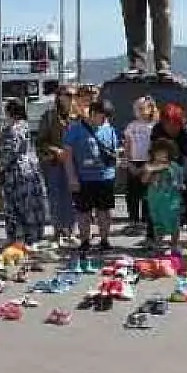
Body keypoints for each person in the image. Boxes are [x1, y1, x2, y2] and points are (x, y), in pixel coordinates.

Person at [63, 99, 120, 252]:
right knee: (84, 212)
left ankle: (104, 240)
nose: (104, 121)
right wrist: (71, 177)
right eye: (102, 117)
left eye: (107, 118)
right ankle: (85, 241)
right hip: (84, 178)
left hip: (105, 177)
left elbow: (114, 153)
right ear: (93, 114)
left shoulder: (110, 129)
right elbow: (67, 156)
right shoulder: (75, 129)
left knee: (104, 211)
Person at [0, 99, 49, 244]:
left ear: (9, 112)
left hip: (15, 173)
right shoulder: (25, 126)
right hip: (31, 170)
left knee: (14, 208)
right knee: (31, 207)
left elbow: (7, 154)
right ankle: (32, 239)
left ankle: (16, 240)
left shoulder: (11, 130)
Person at [150, 102, 187, 244]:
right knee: (156, 200)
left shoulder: (186, 132)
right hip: (162, 168)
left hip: (184, 168)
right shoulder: (157, 130)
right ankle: (152, 235)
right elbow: (154, 153)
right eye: (168, 125)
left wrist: (182, 178)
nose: (172, 128)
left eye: (175, 125)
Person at [35, 84, 78, 246]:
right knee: (55, 196)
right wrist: (56, 151)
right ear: (59, 97)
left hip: (73, 163)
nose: (71, 97)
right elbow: (40, 141)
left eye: (73, 95)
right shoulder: (49, 116)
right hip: (53, 162)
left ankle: (71, 230)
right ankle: (57, 231)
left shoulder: (78, 116)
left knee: (72, 197)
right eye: (68, 94)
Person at [123, 96, 157, 243]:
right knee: (132, 194)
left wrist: (149, 165)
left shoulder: (155, 126)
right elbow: (127, 146)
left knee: (147, 194)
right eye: (137, 108)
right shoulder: (131, 126)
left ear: (151, 109)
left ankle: (145, 221)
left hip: (148, 164)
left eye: (143, 108)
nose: (140, 111)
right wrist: (129, 163)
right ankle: (133, 220)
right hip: (133, 163)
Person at [143, 138, 186, 249]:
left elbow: (181, 183)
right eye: (158, 153)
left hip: (172, 200)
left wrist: (180, 186)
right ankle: (158, 245)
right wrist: (150, 171)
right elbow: (144, 180)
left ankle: (174, 244)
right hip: (156, 201)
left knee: (175, 223)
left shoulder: (175, 167)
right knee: (157, 224)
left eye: (164, 154)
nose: (161, 156)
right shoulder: (149, 166)